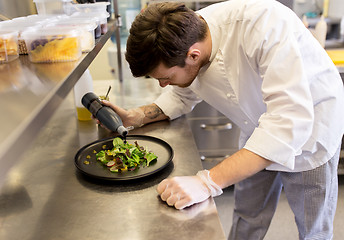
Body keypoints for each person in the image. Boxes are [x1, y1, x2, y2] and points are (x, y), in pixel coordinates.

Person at [99, 0, 344, 239]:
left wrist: (206, 182)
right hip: (256, 126)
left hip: (311, 129)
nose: (163, 84)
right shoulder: (189, 39)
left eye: (165, 77)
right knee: (247, 214)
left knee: (313, 229)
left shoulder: (264, 25)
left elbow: (286, 124)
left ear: (193, 55)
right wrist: (136, 116)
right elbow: (181, 93)